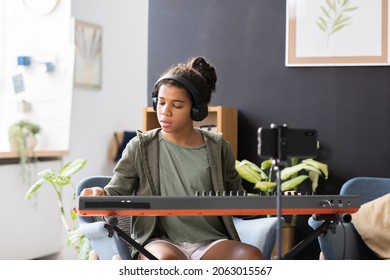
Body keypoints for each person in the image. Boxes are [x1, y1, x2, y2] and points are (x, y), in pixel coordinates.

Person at [80, 56, 264, 260]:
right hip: (160, 241)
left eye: (177, 106)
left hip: (211, 241)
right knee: (167, 263)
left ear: (196, 110)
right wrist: (101, 194)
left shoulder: (218, 147)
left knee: (250, 256)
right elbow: (116, 192)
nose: (165, 112)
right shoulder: (141, 146)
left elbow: (237, 198)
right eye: (161, 103)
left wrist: (276, 204)